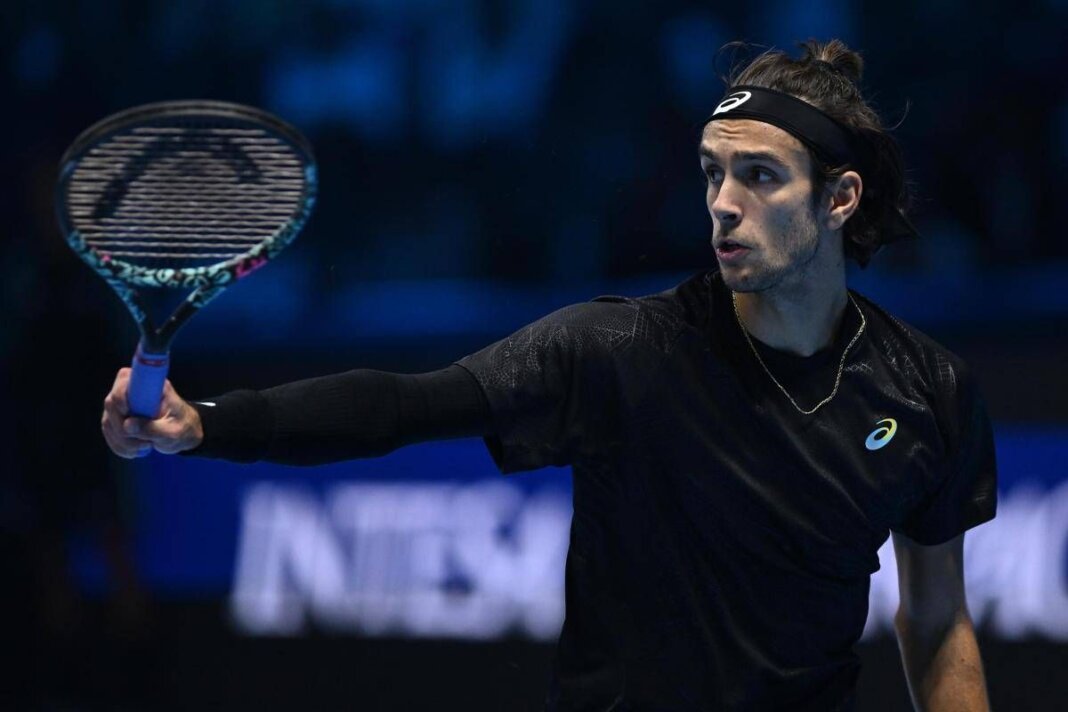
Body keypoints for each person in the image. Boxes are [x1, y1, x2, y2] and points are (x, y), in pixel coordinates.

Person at [100, 39, 996, 711]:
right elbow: (405, 406)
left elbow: (936, 620)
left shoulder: (926, 391)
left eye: (760, 176)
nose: (723, 204)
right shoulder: (618, 350)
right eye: (713, 173)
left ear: (839, 198)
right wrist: (208, 422)